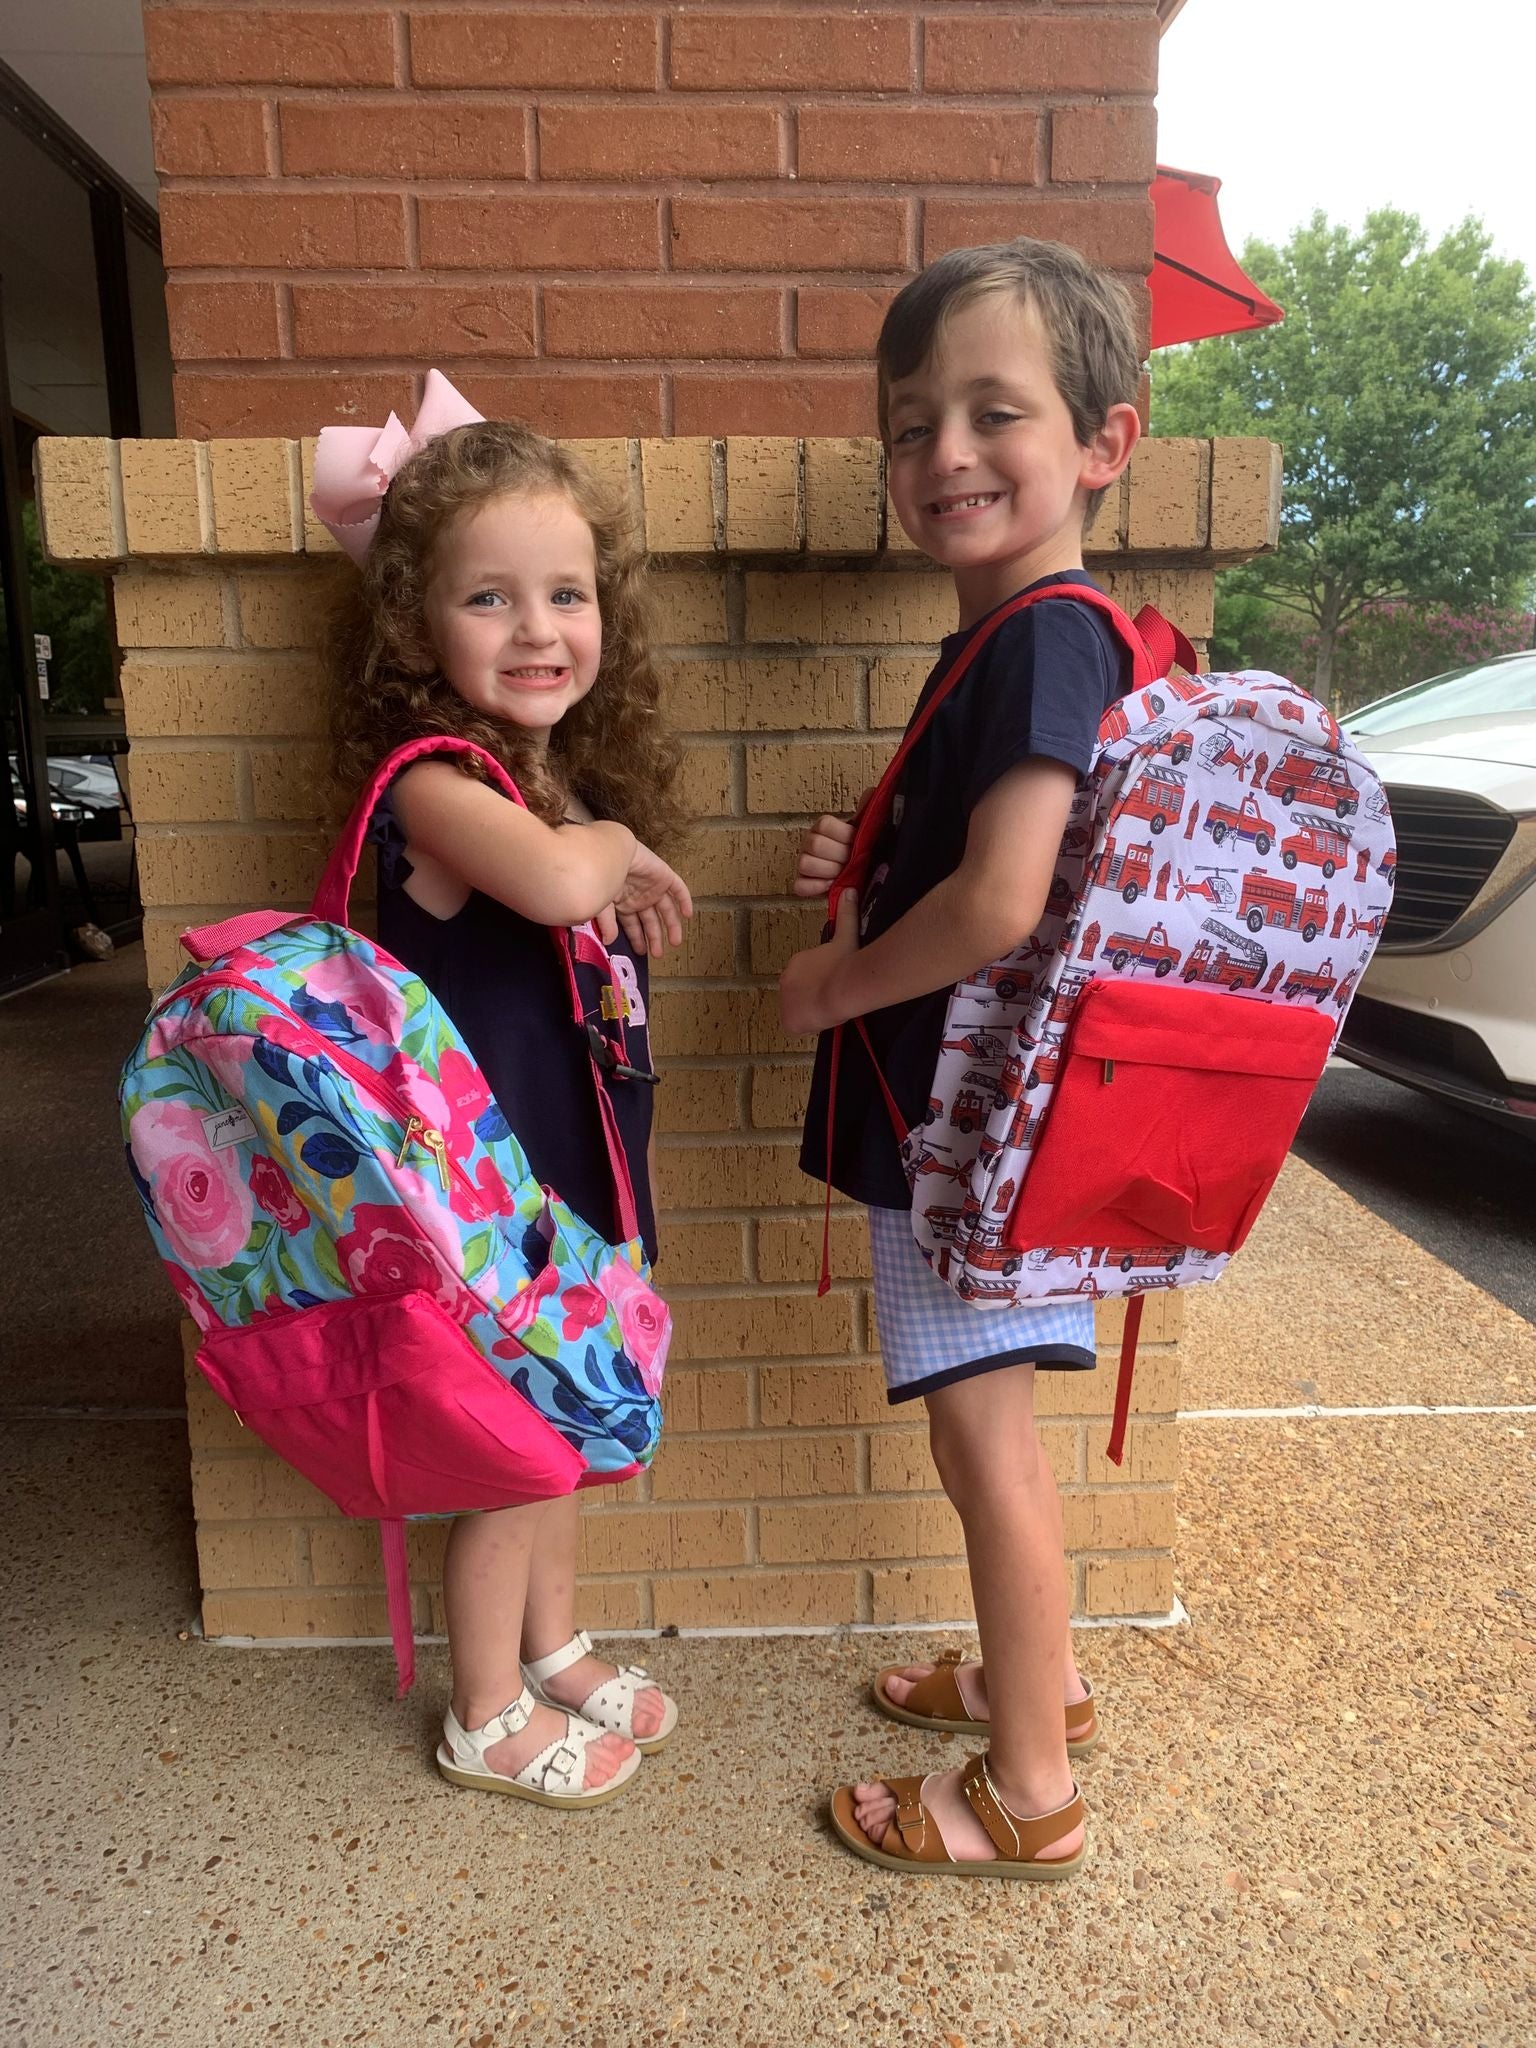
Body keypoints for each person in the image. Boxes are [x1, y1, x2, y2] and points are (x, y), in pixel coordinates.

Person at [780, 240, 1143, 1880]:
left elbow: (1001, 904)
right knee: (979, 1430)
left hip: (966, 1138)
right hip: (987, 1126)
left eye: (997, 412)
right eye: (911, 422)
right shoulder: (1016, 640)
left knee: (983, 1442)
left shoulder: (1042, 639)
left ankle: (1031, 1792)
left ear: (1104, 443)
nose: (945, 453)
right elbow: (995, 869)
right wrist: (870, 865)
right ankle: (1033, 1683)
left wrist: (836, 984)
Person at [326, 397, 692, 1807]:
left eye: (566, 594)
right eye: (489, 598)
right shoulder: (432, 783)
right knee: (511, 1448)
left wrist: (610, 861)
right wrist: (614, 847)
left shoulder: (554, 784)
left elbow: (580, 910)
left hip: (573, 1184)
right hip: (481, 1202)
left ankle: (554, 1645)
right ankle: (482, 1712)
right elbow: (551, 880)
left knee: (571, 1423)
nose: (537, 628)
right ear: (420, 629)